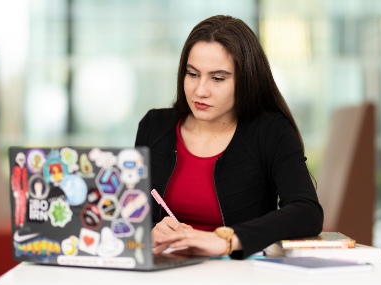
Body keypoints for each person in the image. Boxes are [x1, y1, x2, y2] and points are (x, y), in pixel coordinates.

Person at [134, 15, 323, 260]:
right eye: (192, 74)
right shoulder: (154, 126)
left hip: (238, 275)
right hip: (163, 271)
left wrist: (223, 240)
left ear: (246, 80)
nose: (200, 91)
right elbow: (129, 212)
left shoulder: (271, 131)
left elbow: (306, 211)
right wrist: (148, 233)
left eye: (218, 78)